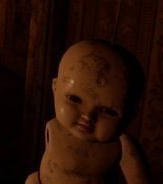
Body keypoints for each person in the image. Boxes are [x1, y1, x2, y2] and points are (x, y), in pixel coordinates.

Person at [26, 40, 151, 183]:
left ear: (130, 116)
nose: (88, 116)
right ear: (55, 88)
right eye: (74, 99)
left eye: (107, 111)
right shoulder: (53, 128)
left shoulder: (121, 147)